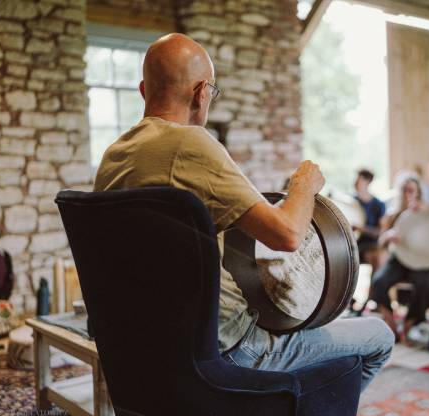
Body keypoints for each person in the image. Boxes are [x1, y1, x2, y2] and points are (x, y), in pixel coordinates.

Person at [93, 33, 393, 391]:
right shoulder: (190, 142)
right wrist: (304, 185)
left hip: (147, 343)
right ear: (201, 92)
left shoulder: (114, 156)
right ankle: (304, 411)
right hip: (228, 350)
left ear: (144, 90)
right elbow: (288, 235)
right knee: (379, 334)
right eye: (211, 94)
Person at [371, 176, 429, 344]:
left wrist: (426, 208)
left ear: (418, 192)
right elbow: (381, 242)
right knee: (379, 282)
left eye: (411, 190)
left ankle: (408, 324)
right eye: (405, 190)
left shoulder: (428, 211)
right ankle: (391, 324)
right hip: (399, 259)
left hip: (424, 261)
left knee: (425, 283)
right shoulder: (393, 214)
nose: (408, 194)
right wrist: (388, 236)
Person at [353, 169, 387, 274]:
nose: (355, 182)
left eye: (359, 179)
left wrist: (361, 229)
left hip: (369, 245)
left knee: (379, 258)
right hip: (351, 243)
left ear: (368, 182)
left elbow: (381, 232)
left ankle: (374, 289)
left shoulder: (378, 205)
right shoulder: (351, 202)